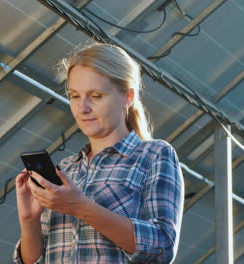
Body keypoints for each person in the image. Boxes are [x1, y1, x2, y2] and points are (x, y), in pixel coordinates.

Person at [13, 43, 184, 263]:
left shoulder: (153, 155)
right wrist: (29, 220)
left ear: (128, 97)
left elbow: (162, 246)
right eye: (75, 96)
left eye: (95, 96)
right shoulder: (66, 169)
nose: (82, 108)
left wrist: (82, 207)